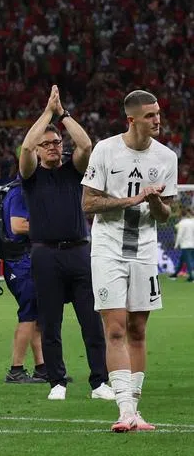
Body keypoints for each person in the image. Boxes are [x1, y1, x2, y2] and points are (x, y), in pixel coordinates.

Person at [81, 90, 177, 431]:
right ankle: (123, 411)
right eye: (150, 115)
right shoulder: (105, 150)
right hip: (108, 250)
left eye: (158, 113)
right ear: (132, 119)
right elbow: (88, 204)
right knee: (117, 328)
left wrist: (153, 204)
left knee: (138, 329)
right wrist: (130, 200)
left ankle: (135, 410)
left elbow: (166, 214)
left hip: (145, 252)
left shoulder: (166, 157)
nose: (157, 120)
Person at [19, 86, 110, 402]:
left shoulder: (74, 171)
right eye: (48, 144)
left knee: (91, 322)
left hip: (79, 251)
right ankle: (57, 381)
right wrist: (46, 113)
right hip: (45, 255)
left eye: (58, 142)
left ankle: (100, 382)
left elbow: (86, 144)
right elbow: (26, 147)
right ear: (40, 151)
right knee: (50, 323)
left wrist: (63, 114)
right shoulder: (30, 175)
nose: (55, 147)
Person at [0, 179, 47, 384]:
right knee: (28, 314)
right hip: (19, 261)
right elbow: (18, 225)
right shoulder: (20, 192)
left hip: (21, 260)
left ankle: (42, 367)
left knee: (35, 314)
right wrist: (51, 224)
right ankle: (16, 369)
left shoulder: (17, 189)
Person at [175, 208, 194, 280]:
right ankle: (175, 274)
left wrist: (176, 244)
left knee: (188, 261)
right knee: (184, 260)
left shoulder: (182, 223)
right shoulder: (191, 222)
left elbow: (179, 234)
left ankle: (191, 277)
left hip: (186, 245)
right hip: (191, 244)